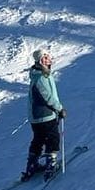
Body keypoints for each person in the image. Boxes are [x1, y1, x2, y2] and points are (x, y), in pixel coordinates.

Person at [23, 49, 66, 181]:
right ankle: (50, 164)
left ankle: (32, 164)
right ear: (41, 60)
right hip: (45, 115)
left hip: (36, 116)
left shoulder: (40, 75)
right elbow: (48, 97)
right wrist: (59, 109)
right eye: (46, 58)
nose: (50, 59)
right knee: (52, 137)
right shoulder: (41, 77)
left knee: (39, 139)